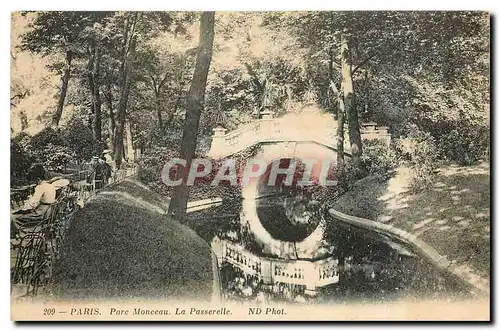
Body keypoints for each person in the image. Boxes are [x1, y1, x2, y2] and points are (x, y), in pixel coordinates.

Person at [11, 164, 57, 232]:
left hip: (41, 214)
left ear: (38, 179)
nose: (35, 183)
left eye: (34, 180)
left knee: (13, 217)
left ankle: (16, 235)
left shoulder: (40, 187)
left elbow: (32, 204)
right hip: (50, 212)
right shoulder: (51, 186)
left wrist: (22, 209)